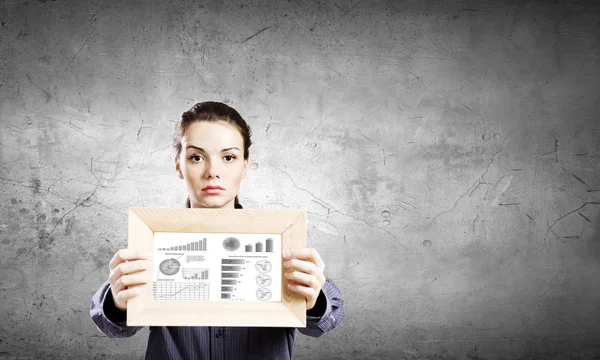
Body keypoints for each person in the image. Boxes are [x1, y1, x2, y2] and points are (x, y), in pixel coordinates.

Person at [90, 101, 344, 359]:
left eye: (229, 157)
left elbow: (328, 318)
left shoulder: (278, 239)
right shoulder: (154, 240)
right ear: (179, 165)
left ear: (245, 164)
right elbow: (111, 326)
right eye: (196, 157)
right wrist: (119, 301)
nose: (213, 172)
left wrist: (312, 300)